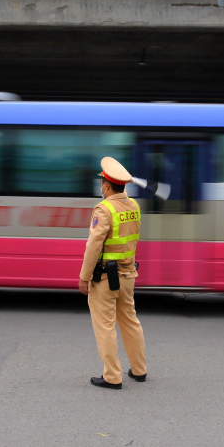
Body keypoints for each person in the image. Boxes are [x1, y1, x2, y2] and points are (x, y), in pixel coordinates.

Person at [79, 157, 147, 390]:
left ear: (106, 185)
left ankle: (112, 376)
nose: (101, 187)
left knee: (105, 325)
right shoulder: (134, 206)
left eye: (101, 183)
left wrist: (84, 277)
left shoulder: (104, 209)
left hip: (106, 279)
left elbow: (93, 246)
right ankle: (139, 370)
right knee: (130, 321)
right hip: (128, 275)